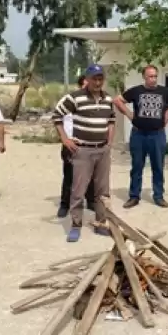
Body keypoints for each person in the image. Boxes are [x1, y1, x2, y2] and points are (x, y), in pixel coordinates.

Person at [53, 64, 116, 242]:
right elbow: (57, 116)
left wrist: (109, 142)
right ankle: (76, 224)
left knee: (102, 190)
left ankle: (101, 222)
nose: (97, 82)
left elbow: (111, 120)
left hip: (102, 150)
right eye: (94, 78)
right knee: (78, 189)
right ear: (87, 79)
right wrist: (65, 139)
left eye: (100, 78)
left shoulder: (108, 99)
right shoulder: (75, 98)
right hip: (83, 151)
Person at [113, 65, 168, 208]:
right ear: (144, 77)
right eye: (150, 76)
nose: (153, 79)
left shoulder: (164, 91)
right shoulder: (136, 91)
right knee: (137, 166)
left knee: (158, 166)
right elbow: (117, 100)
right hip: (139, 134)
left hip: (157, 134)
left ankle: (158, 196)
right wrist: (129, 114)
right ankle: (134, 196)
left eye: (155, 76)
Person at [57, 74, 96, 218]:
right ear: (80, 85)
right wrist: (64, 139)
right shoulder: (69, 100)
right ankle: (64, 204)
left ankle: (91, 201)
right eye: (85, 84)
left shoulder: (95, 101)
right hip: (71, 144)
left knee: (91, 175)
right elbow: (57, 119)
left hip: (90, 144)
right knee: (69, 176)